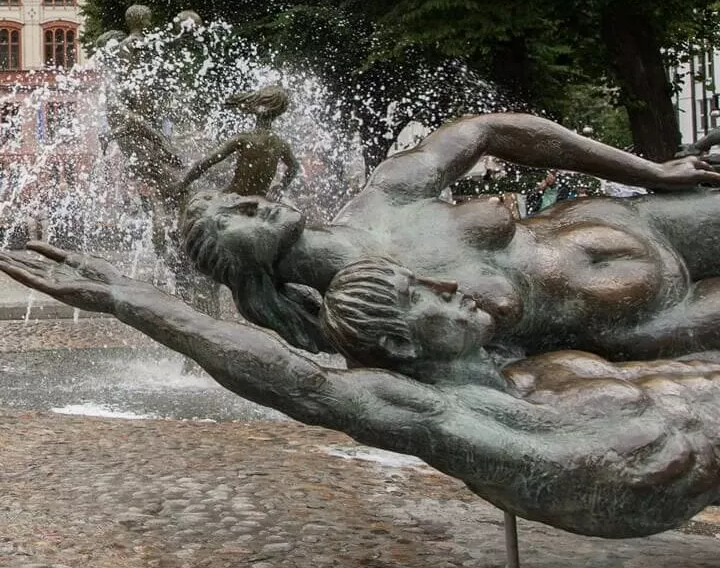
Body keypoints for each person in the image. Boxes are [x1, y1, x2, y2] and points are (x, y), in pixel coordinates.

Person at [0, 240, 718, 540]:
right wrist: (130, 298)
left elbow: (306, 333)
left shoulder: (507, 362)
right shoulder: (444, 410)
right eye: (422, 293)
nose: (447, 285)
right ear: (403, 344)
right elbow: (297, 379)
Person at [179, 112, 720, 357]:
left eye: (236, 200)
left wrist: (649, 172)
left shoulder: (383, 198)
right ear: (238, 269)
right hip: (649, 324)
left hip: (640, 224)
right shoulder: (367, 321)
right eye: (227, 222)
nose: (251, 200)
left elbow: (485, 129)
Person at [174, 85, 300, 200]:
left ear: (257, 108)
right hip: (260, 198)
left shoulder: (243, 139)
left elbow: (205, 162)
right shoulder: (280, 144)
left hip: (234, 196)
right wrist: (281, 186)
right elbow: (294, 166)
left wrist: (182, 185)